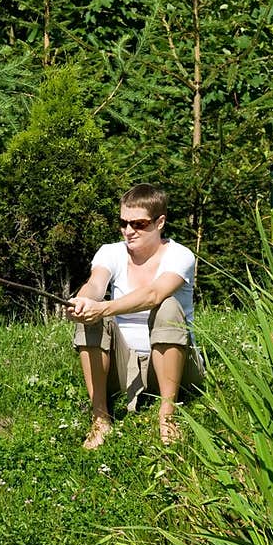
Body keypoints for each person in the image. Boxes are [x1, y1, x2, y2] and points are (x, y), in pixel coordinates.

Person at [67, 184, 204, 450]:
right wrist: (84, 301)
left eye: (139, 224)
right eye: (123, 223)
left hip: (177, 364)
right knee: (91, 314)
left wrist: (104, 308)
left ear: (160, 222)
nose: (129, 231)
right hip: (125, 364)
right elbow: (95, 284)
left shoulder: (180, 255)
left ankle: (167, 416)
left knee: (167, 306)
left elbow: (153, 294)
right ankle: (100, 418)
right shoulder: (111, 251)